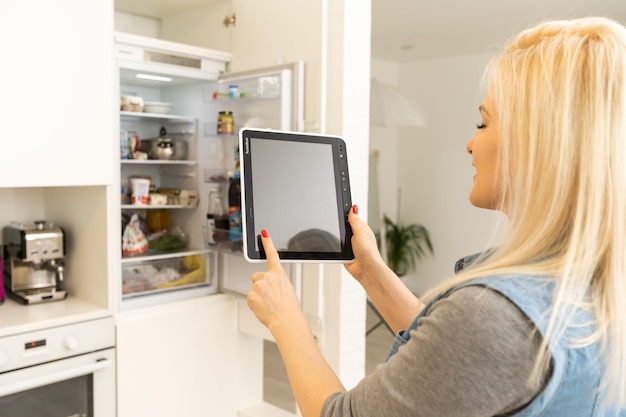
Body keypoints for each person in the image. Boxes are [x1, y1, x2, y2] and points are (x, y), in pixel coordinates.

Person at [246, 17, 626, 417]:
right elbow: (462, 366)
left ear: (539, 145)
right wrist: (373, 273)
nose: (470, 142)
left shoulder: (492, 317)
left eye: (484, 122)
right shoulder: (591, 286)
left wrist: (285, 318)